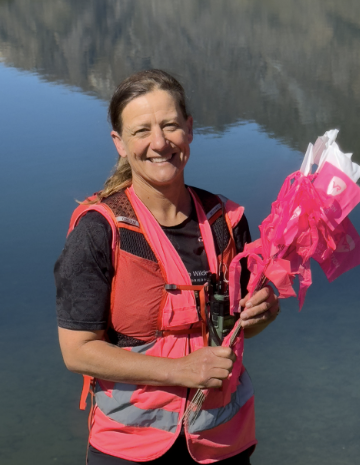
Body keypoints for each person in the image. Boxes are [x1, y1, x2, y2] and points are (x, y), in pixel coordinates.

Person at [55, 69, 279, 465]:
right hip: (130, 447)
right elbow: (78, 353)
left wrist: (263, 313)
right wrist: (181, 370)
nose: (159, 143)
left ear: (190, 130)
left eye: (171, 125)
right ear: (119, 143)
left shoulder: (226, 220)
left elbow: (240, 329)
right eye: (141, 131)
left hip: (224, 441)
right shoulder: (99, 231)